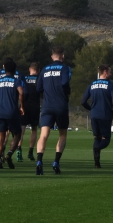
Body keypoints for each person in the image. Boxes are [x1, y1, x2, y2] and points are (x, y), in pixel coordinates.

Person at [35, 47, 71, 175]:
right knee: (62, 135)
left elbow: (38, 88)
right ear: (63, 56)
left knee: (44, 135)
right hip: (61, 105)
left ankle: (39, 161)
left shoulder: (44, 69)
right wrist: (67, 92)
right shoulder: (65, 68)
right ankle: (56, 161)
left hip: (47, 106)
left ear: (52, 56)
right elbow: (65, 82)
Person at [81, 64, 113, 169]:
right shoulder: (111, 85)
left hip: (94, 115)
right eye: (109, 72)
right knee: (106, 139)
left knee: (96, 138)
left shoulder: (91, 84)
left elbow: (83, 101)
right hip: (105, 115)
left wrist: (91, 109)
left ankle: (97, 163)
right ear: (105, 72)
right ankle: (98, 149)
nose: (111, 74)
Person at [0, 57, 25, 169]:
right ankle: (9, 154)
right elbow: (21, 92)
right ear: (14, 70)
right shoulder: (16, 81)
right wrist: (21, 105)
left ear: (5, 70)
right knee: (18, 134)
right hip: (12, 112)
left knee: (1, 137)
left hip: (0, 112)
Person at [20, 62, 40, 161]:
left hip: (24, 105)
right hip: (35, 106)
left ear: (29, 69)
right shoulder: (39, 79)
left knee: (22, 129)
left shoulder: (24, 78)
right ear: (38, 70)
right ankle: (30, 152)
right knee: (34, 129)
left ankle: (18, 150)